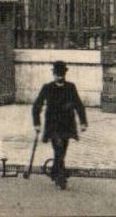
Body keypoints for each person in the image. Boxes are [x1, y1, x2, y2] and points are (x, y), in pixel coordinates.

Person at [32, 59, 87, 191]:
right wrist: (37, 123)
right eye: (57, 74)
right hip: (53, 125)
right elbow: (37, 106)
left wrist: (83, 122)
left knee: (62, 150)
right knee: (58, 147)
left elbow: (79, 105)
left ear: (64, 74)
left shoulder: (71, 87)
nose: (59, 77)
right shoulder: (47, 87)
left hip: (67, 124)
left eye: (61, 74)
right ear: (54, 74)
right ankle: (61, 177)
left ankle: (55, 171)